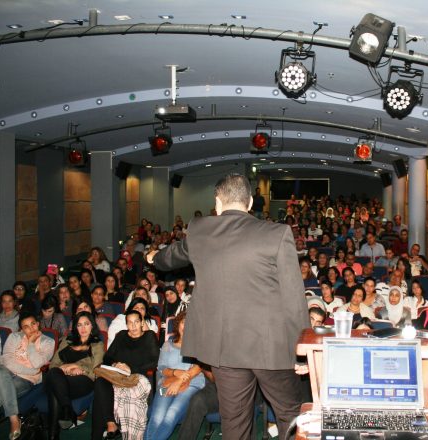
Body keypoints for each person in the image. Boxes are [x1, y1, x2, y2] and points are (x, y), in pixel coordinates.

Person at [149, 174, 309, 440]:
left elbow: (169, 258)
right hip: (270, 348)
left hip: (224, 350)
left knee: (234, 421)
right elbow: (294, 300)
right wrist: (302, 353)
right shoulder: (277, 233)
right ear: (250, 203)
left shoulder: (200, 229)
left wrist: (153, 257)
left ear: (217, 202)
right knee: (291, 415)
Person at [0, 311, 54, 440]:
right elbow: (7, 361)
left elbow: (37, 362)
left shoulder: (48, 342)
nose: (31, 329)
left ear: (38, 324)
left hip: (24, 380)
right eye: (26, 327)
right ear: (21, 329)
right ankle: (14, 418)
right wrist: (33, 371)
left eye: (33, 324)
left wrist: (31, 344)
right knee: (0, 371)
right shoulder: (14, 336)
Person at [91, 310, 160, 440]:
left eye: (136, 322)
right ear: (126, 324)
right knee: (100, 382)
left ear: (142, 323)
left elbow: (154, 361)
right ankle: (110, 424)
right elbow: (107, 357)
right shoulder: (121, 336)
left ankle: (124, 434)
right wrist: (115, 364)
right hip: (118, 375)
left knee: (113, 394)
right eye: (130, 323)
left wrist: (130, 369)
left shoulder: (149, 336)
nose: (133, 326)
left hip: (138, 376)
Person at [145, 311, 204, 440]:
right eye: (183, 322)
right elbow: (161, 368)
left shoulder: (199, 345)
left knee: (171, 414)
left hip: (192, 384)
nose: (186, 326)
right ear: (178, 325)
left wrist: (179, 381)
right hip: (167, 382)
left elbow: (199, 367)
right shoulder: (168, 345)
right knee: (157, 417)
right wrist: (175, 372)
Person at [44, 311, 104, 439]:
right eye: (79, 325)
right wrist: (65, 369)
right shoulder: (67, 341)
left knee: (55, 389)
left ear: (92, 325)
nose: (83, 328)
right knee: (54, 375)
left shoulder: (97, 344)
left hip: (82, 380)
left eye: (86, 324)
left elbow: (96, 370)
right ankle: (67, 409)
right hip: (59, 377)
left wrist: (78, 368)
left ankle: (53, 435)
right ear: (75, 327)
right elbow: (53, 365)